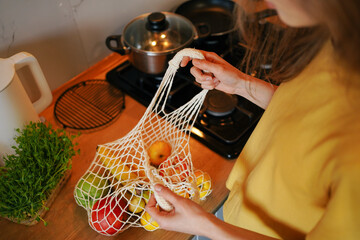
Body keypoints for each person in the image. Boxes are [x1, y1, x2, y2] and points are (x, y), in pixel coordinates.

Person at [146, 0, 360, 239]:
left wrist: (203, 225)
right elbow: (311, 112)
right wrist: (241, 84)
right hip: (234, 215)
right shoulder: (337, 40)